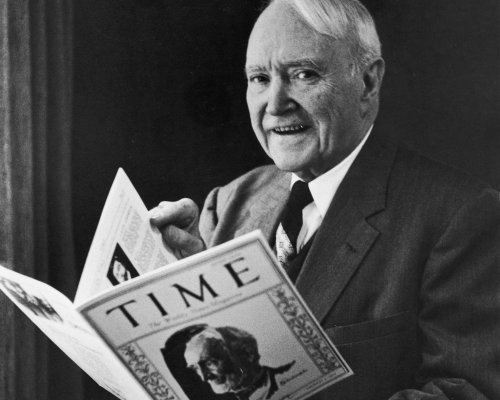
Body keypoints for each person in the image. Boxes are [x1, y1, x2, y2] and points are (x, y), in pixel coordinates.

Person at [150, 0, 500, 398]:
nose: (275, 104)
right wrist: (185, 280)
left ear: (367, 83)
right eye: (260, 78)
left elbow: (467, 390)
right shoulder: (228, 203)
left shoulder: (459, 217)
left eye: (304, 74)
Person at [161, 324, 295, 400]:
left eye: (210, 363)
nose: (204, 377)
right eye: (195, 368)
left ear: (247, 354)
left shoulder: (294, 372)